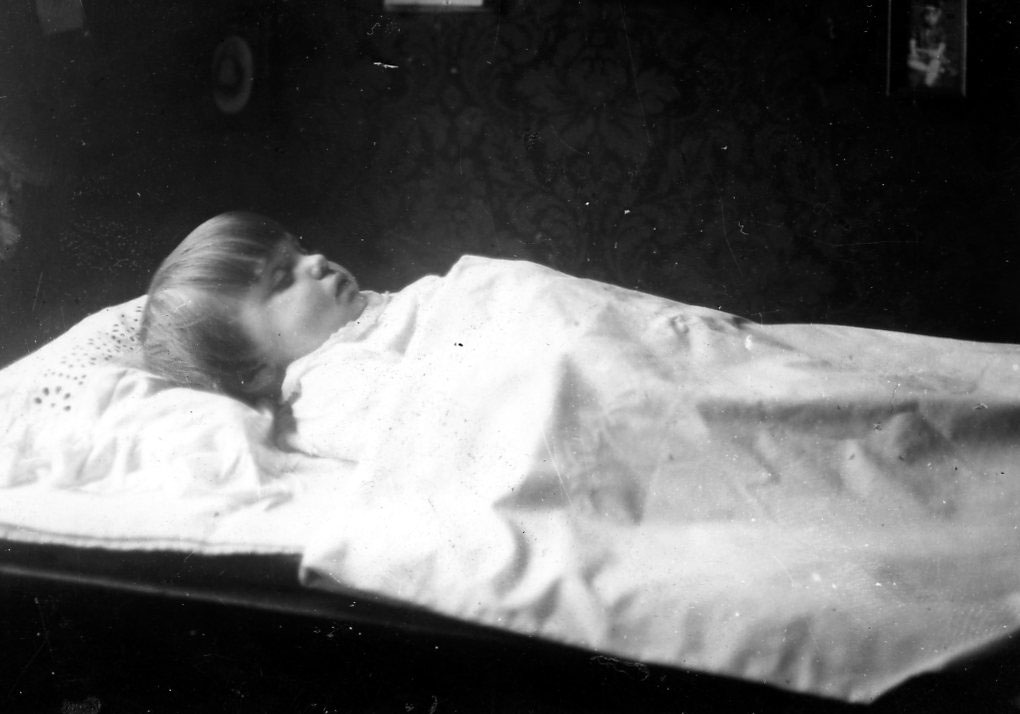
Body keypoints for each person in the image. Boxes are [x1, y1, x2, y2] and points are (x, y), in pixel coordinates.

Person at [140, 211, 368, 404]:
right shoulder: (332, 391)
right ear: (255, 374)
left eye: (302, 250)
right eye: (283, 279)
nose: (317, 259)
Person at [907, 0, 949, 89]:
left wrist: (938, 53)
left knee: (935, 62)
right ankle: (932, 70)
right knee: (909, 62)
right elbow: (913, 40)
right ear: (923, 16)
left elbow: (942, 44)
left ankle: (927, 84)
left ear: (938, 16)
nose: (930, 18)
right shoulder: (919, 28)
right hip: (922, 53)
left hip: (935, 54)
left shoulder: (940, 30)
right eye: (927, 15)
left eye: (933, 16)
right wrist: (913, 52)